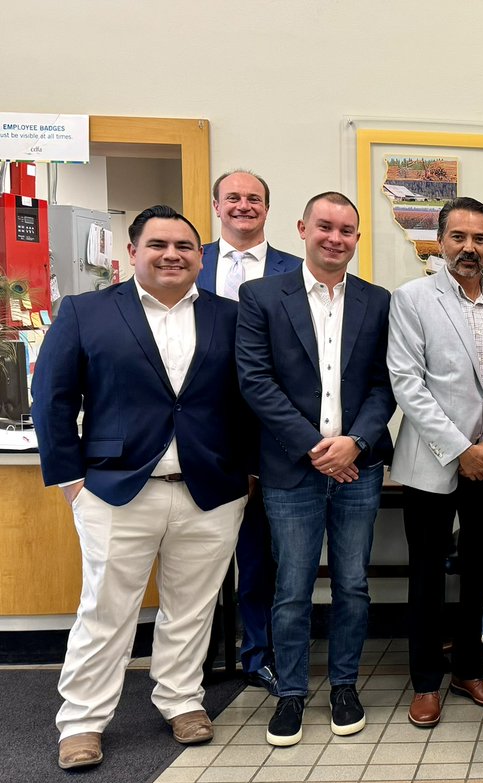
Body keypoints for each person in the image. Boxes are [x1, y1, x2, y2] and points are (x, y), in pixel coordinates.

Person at [33, 206, 251, 769]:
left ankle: (181, 700)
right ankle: (81, 721)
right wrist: (71, 481)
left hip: (210, 490)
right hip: (114, 488)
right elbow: (52, 398)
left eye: (184, 246)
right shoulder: (85, 312)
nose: (171, 255)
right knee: (105, 609)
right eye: (158, 245)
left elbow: (249, 401)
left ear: (200, 256)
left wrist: (247, 475)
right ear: (132, 253)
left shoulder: (230, 316)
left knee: (193, 608)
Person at [236, 191, 395, 747]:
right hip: (291, 469)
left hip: (358, 468)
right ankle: (291, 693)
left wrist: (355, 442)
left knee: (352, 584)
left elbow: (384, 384)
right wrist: (315, 447)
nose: (335, 238)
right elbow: (255, 380)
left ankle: (345, 686)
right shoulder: (261, 296)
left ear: (357, 238)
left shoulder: (377, 301)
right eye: (325, 227)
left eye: (346, 230)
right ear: (303, 229)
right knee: (291, 587)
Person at [389, 197, 483, 729]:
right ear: (440, 242)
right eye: (458, 237)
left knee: (480, 570)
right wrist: (461, 449)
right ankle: (425, 682)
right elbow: (407, 383)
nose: (469, 247)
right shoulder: (412, 298)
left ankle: (468, 669)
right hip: (432, 461)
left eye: (479, 238)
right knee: (426, 575)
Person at [198, 169, 302, 695]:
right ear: (217, 206)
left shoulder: (296, 271)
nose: (244, 205)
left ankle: (258, 653)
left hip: (268, 431)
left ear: (267, 207)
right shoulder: (189, 263)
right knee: (194, 556)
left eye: (254, 198)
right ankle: (191, 660)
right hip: (202, 429)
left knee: (261, 554)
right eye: (233, 198)